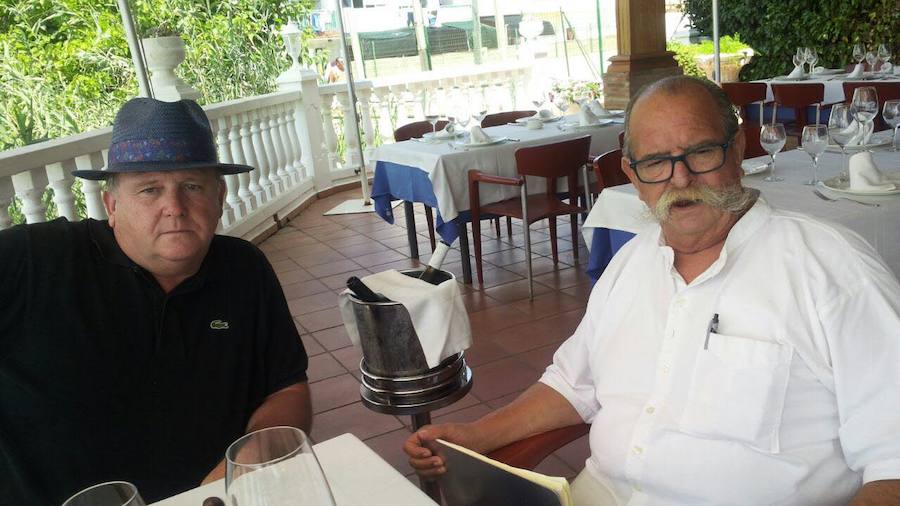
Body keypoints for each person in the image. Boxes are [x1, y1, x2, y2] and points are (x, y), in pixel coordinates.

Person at [404, 76, 900, 504]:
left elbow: (893, 458)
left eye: (701, 152)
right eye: (656, 162)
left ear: (740, 148)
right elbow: (573, 384)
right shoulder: (631, 262)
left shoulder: (831, 270)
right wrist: (474, 436)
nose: (680, 178)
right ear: (631, 175)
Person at [0, 98, 312, 504]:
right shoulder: (33, 260)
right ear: (112, 205)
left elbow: (287, 390)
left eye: (192, 186)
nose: (175, 208)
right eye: (150, 189)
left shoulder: (243, 269)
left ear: (219, 197)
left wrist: (252, 456)